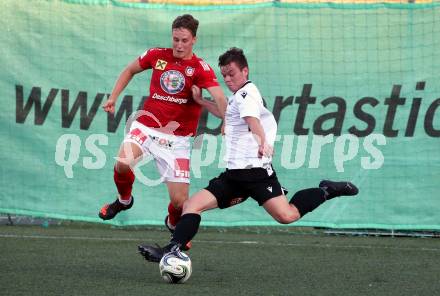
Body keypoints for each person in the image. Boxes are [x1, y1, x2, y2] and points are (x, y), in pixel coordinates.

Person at [138, 47, 359, 262]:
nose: (228, 78)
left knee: (287, 215)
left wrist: (262, 141)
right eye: (224, 75)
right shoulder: (237, 97)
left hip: (256, 174)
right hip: (234, 176)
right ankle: (171, 250)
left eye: (232, 73)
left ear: (245, 71)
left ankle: (327, 189)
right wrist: (202, 102)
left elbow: (252, 119)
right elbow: (229, 113)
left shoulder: (246, 93)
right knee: (191, 205)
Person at [98, 14, 227, 250]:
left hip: (177, 141)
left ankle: (172, 223)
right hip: (147, 127)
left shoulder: (200, 68)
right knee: (123, 163)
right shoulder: (157, 55)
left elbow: (219, 96)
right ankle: (124, 201)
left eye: (184, 40)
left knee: (180, 203)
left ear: (194, 40)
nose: (178, 45)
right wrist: (113, 97)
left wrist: (226, 120)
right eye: (175, 39)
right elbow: (129, 70)